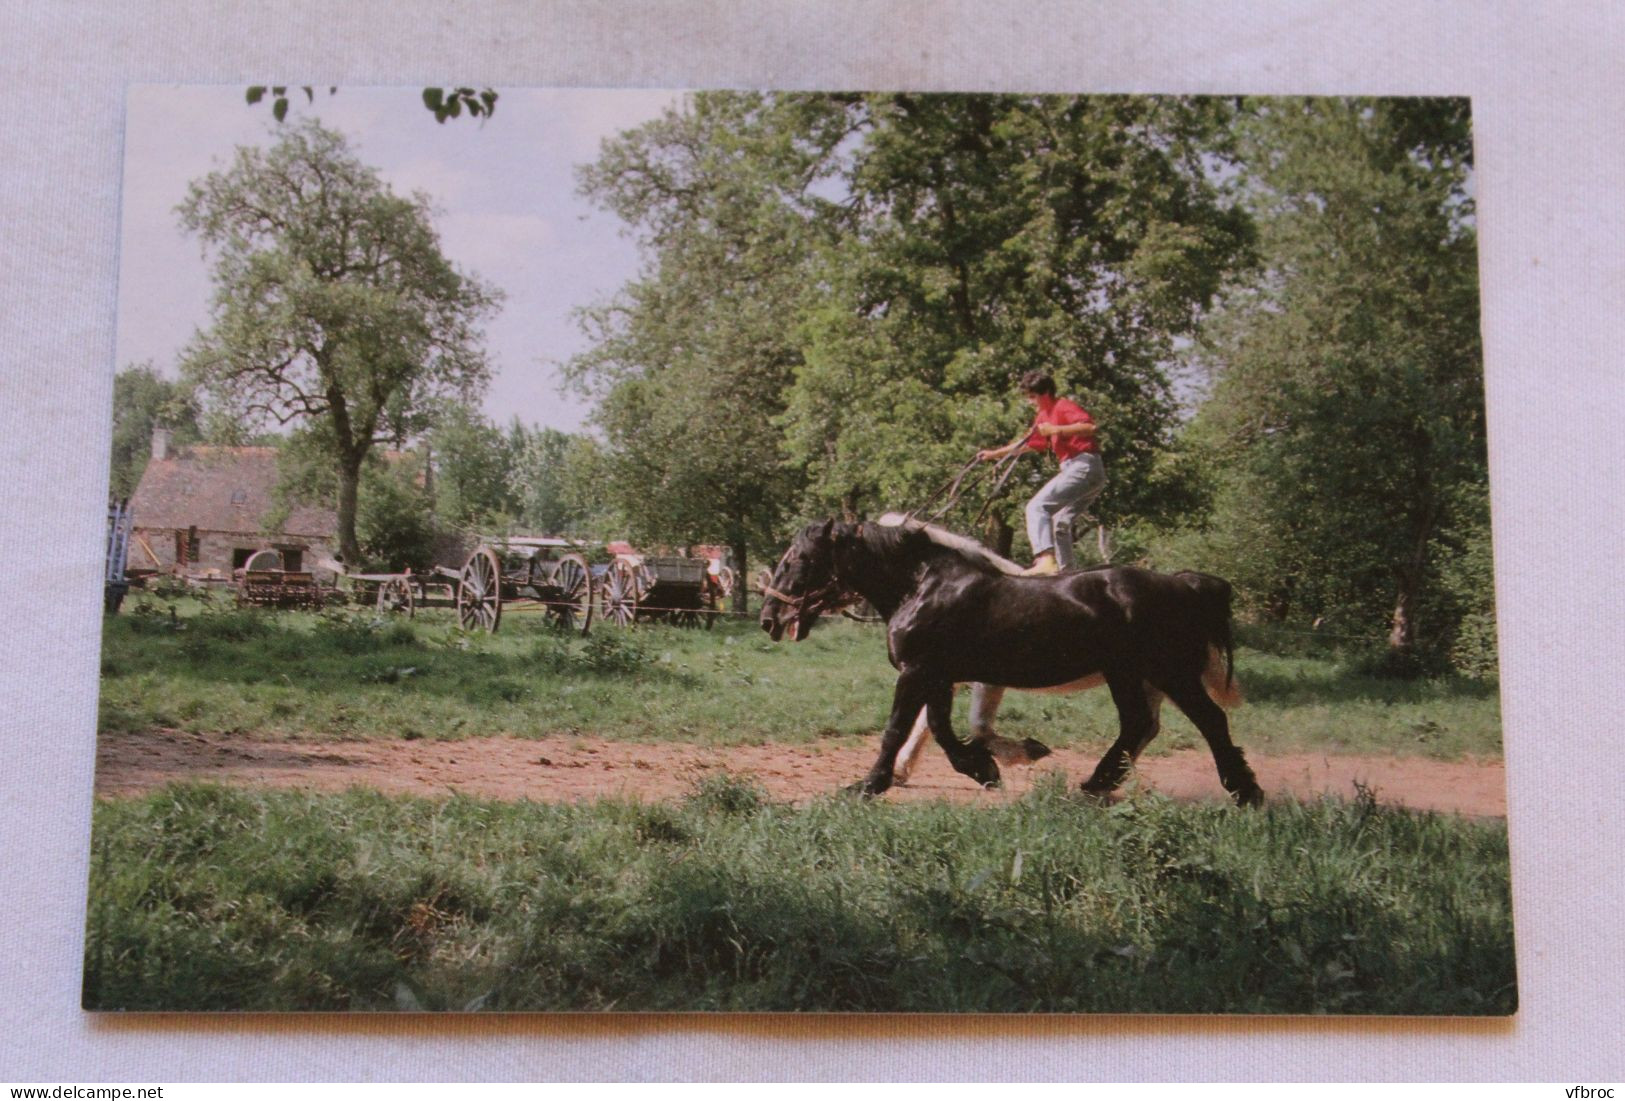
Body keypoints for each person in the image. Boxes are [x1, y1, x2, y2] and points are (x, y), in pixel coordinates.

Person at [977, 370, 1106, 574]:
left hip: (1083, 465)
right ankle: (1065, 574)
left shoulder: (1062, 406)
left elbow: (1089, 427)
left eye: (1032, 396)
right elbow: (1029, 444)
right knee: (1059, 523)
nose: (1030, 402)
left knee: (1037, 507)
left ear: (1045, 393)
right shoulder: (1042, 416)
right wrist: (994, 454)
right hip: (1086, 472)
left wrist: (1056, 430)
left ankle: (1045, 559)